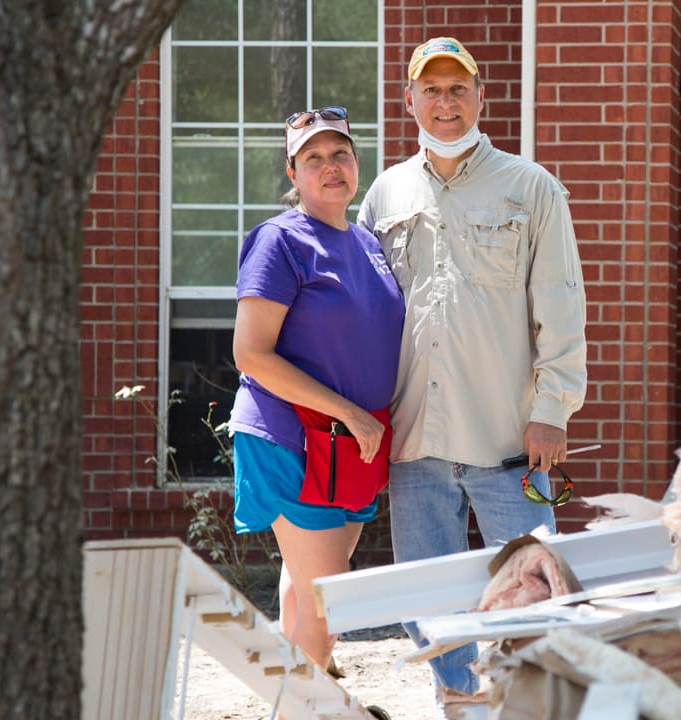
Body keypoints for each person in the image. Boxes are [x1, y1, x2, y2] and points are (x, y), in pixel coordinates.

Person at [358, 37, 587, 703]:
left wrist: (552, 410)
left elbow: (563, 308)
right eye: (432, 89)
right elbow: (364, 315)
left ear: (482, 96)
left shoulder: (532, 188)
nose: (446, 101)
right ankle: (459, 705)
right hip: (415, 443)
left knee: (536, 595)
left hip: (510, 441)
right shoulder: (385, 194)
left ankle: (535, 707)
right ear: (409, 102)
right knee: (426, 604)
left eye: (459, 88)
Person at [228, 106, 405, 673]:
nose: (330, 167)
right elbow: (251, 354)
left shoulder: (369, 245)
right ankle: (319, 699)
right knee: (329, 601)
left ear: (357, 164)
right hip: (293, 438)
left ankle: (293, 706)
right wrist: (348, 412)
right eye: (313, 158)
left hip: (354, 443)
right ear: (293, 173)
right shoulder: (279, 242)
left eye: (340, 154)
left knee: (307, 590)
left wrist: (360, 420)